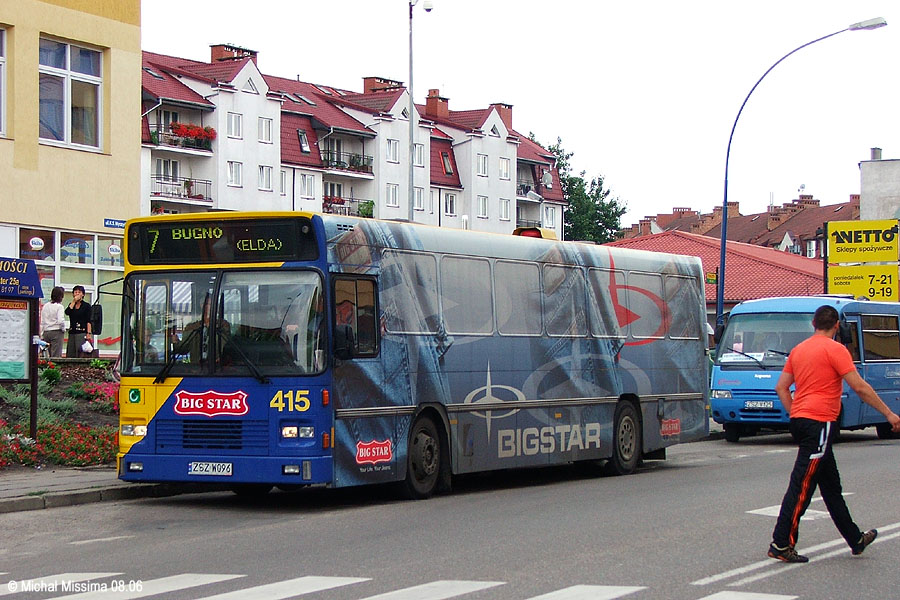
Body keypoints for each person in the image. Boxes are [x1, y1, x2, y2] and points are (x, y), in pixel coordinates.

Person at [768, 305, 900, 563]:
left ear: (814, 324)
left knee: (830, 486)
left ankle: (855, 539)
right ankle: (781, 543)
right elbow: (859, 387)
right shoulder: (836, 350)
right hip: (820, 422)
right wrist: (889, 414)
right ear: (837, 326)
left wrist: (796, 412)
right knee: (802, 485)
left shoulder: (799, 349)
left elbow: (781, 388)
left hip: (802, 421)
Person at [64, 285, 93, 358]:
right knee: (71, 353)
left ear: (83, 294)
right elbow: (67, 312)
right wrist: (73, 301)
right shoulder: (72, 305)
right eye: (75, 292)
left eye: (79, 292)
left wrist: (88, 333)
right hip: (72, 332)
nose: (77, 294)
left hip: (81, 332)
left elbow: (89, 320)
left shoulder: (86, 306)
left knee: (80, 352)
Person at [40, 286, 66, 358]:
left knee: (46, 355)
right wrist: (63, 329)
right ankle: (54, 369)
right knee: (56, 355)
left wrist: (41, 334)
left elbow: (42, 321)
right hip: (56, 332)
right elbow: (60, 320)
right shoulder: (59, 306)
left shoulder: (45, 306)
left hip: (46, 332)